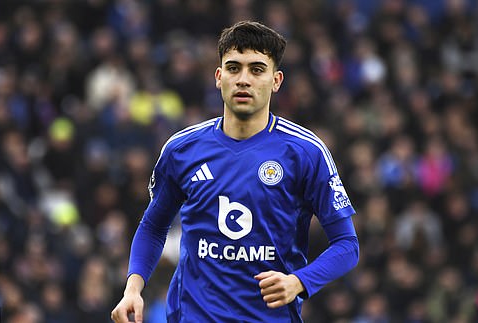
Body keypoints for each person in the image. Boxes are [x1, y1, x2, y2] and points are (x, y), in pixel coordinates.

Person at [111, 21, 359, 323]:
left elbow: (347, 246)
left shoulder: (306, 152)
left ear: (276, 80)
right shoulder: (182, 149)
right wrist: (133, 288)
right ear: (219, 77)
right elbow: (153, 226)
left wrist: (299, 282)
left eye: (256, 69)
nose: (243, 80)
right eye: (233, 68)